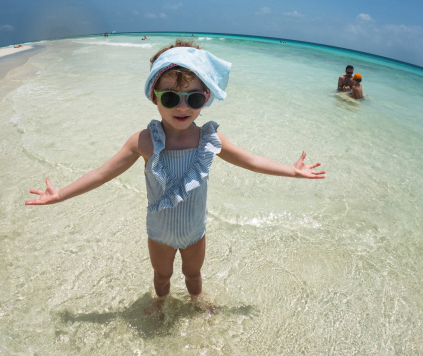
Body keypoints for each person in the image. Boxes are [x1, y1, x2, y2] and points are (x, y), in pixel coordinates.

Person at [25, 40, 325, 313]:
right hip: (159, 232)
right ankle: (161, 302)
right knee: (162, 275)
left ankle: (198, 302)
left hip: (194, 230)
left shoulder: (209, 139)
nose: (182, 107)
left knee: (193, 274)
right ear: (154, 98)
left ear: (206, 98)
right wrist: (61, 194)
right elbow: (102, 173)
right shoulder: (143, 141)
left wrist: (292, 171)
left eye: (193, 99)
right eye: (170, 98)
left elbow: (250, 160)